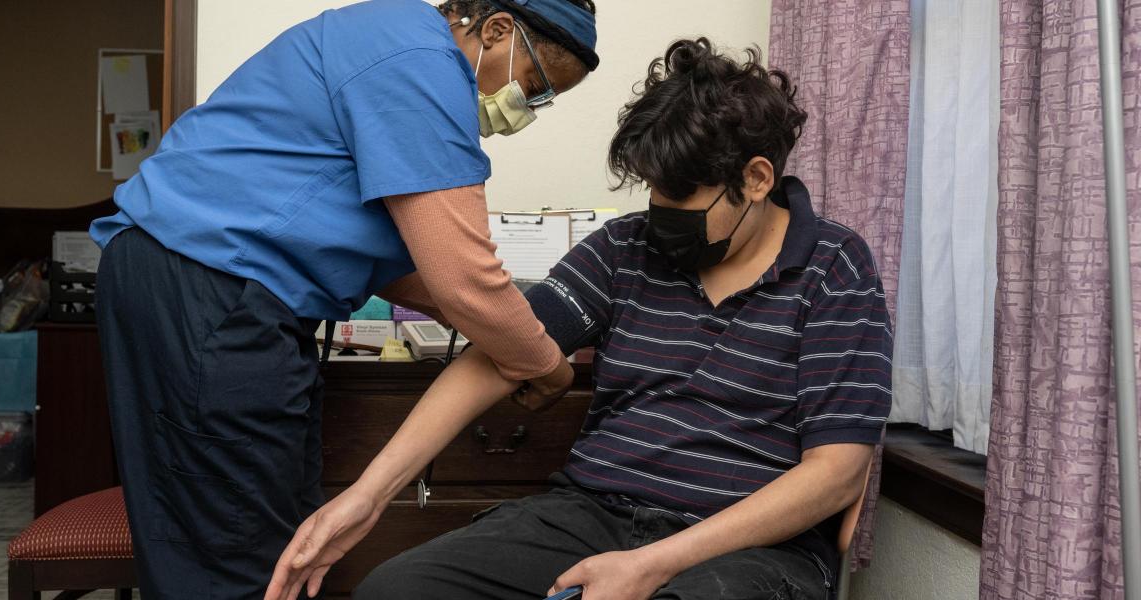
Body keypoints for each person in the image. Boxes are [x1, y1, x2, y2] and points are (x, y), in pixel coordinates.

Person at [276, 39, 893, 600]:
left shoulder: (835, 266)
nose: (660, 213)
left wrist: (653, 563)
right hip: (594, 512)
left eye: (681, 199)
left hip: (750, 546)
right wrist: (367, 495)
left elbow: (836, 476)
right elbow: (499, 356)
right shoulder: (625, 248)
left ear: (756, 179)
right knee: (398, 590)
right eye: (653, 192)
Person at [90, 0, 600, 597]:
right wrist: (546, 366)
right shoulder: (423, 64)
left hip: (190, 281)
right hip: (210, 294)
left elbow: (392, 260)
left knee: (269, 532)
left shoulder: (386, 34)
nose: (529, 108)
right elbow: (463, 278)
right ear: (496, 30)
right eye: (534, 84)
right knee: (236, 552)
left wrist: (495, 313)